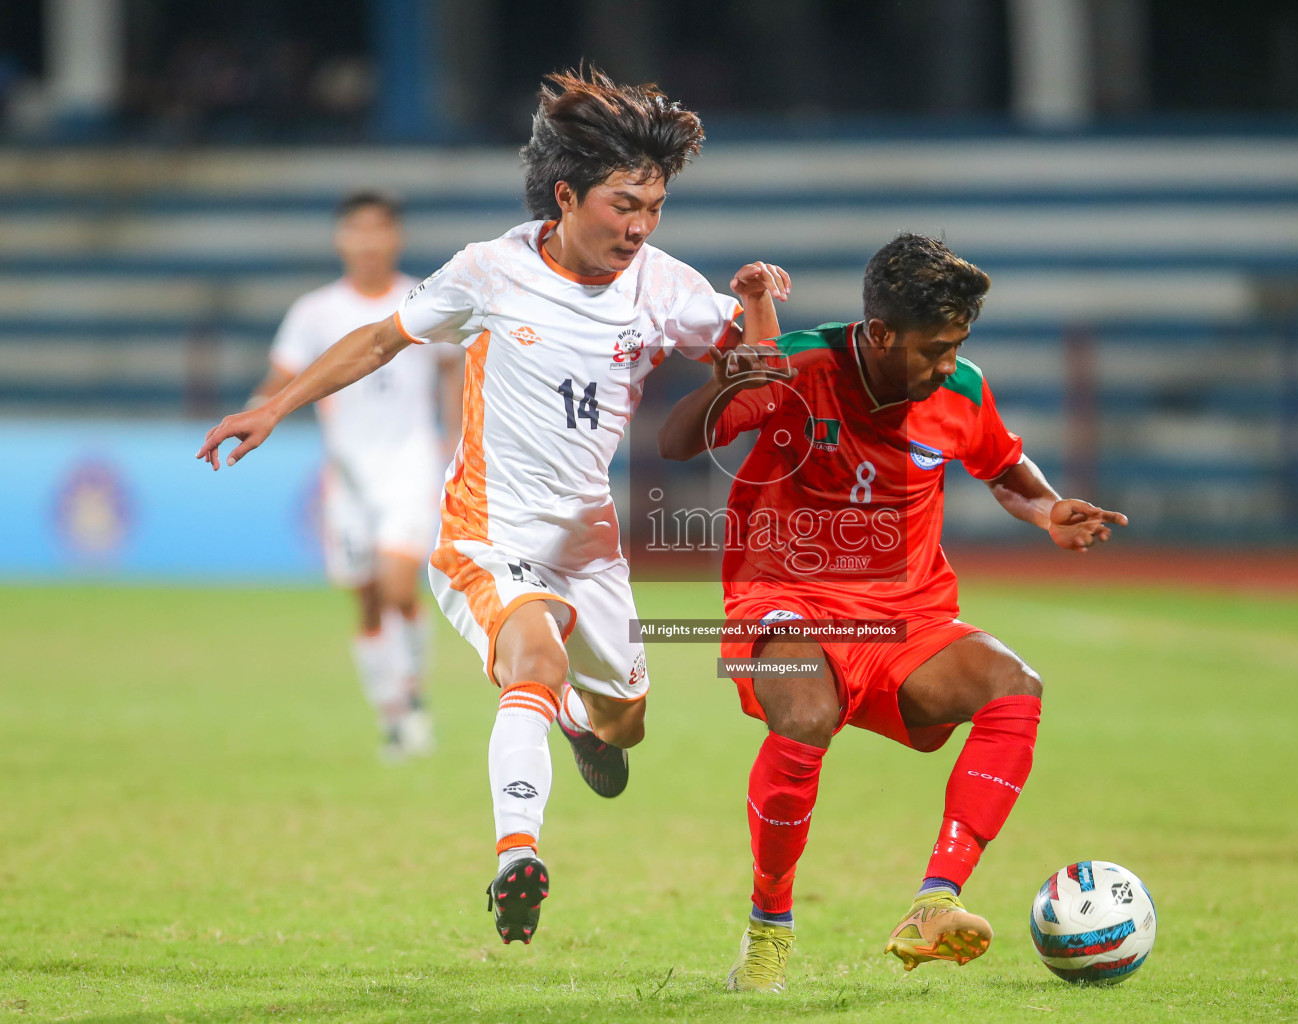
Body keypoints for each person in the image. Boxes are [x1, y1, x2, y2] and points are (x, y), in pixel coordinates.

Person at [197, 68, 791, 941]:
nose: (639, 226)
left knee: (626, 721)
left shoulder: (662, 285)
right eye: (625, 203)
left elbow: (758, 378)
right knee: (531, 660)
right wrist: (275, 406)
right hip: (488, 530)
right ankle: (519, 853)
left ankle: (585, 725)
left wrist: (758, 308)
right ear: (566, 194)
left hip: (589, 545)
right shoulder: (490, 271)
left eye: (655, 207)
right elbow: (377, 339)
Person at [658, 233, 1128, 991]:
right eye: (935, 348)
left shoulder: (962, 389)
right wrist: (724, 382)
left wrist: (1046, 510)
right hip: (785, 598)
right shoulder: (800, 365)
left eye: (957, 346)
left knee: (1015, 685)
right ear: (880, 334)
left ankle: (935, 901)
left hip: (906, 616)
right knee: (806, 715)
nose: (948, 364)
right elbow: (679, 442)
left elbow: (1004, 468)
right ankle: (769, 923)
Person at [250, 189, 461, 760]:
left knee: (398, 583)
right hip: (348, 471)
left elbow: (451, 366)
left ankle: (414, 696)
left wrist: (454, 434)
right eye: (357, 229)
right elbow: (282, 377)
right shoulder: (315, 312)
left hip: (410, 460)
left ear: (396, 237)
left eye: (379, 229)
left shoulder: (421, 299)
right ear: (341, 238)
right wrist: (256, 411)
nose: (369, 241)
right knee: (366, 599)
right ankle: (391, 713)